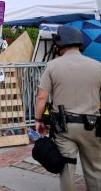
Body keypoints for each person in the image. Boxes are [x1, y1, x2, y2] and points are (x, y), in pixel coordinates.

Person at [35, 25, 101, 191]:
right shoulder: (97, 66)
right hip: (92, 126)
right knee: (95, 168)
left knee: (67, 168)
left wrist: (38, 120)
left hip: (64, 128)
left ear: (60, 44)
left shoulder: (52, 66)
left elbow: (42, 97)